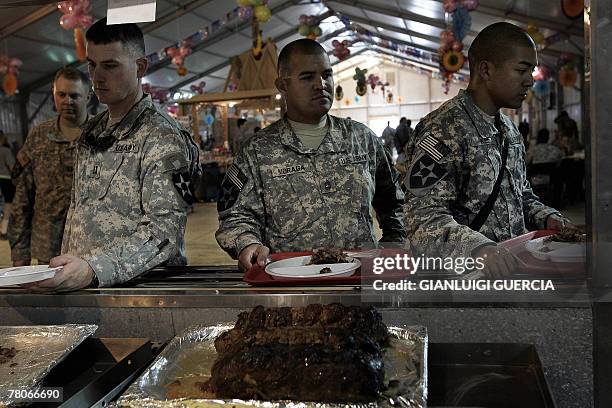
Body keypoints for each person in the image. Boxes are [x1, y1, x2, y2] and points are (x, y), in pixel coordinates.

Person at [24, 18, 200, 291]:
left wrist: (94, 269)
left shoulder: (162, 137)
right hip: (85, 289)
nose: (97, 78)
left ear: (140, 67)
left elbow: (163, 234)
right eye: (92, 65)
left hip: (137, 292)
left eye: (110, 66)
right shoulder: (93, 131)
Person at [216, 39, 405, 271]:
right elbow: (235, 216)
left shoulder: (361, 139)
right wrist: (247, 244)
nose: (321, 84)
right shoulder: (258, 151)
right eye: (307, 77)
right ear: (282, 85)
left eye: (327, 74)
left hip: (359, 278)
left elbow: (395, 201)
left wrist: (393, 244)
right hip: (291, 284)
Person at [404, 22, 572, 278]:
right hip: (463, 283)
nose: (529, 81)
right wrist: (477, 248)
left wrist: (548, 218)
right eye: (522, 70)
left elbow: (521, 195)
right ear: (485, 69)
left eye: (532, 71)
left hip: (512, 273)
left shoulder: (509, 129)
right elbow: (422, 218)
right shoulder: (443, 129)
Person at [8, 67, 90, 266]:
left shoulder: (102, 135)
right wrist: (19, 252)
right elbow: (22, 199)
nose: (67, 101)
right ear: (54, 94)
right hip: (48, 249)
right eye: (61, 94)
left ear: (88, 97)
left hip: (92, 251)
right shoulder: (39, 136)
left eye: (74, 95)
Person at [0, 132, 15, 239]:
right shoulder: (5, 150)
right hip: (5, 179)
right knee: (8, 204)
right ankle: (3, 230)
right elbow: (12, 167)